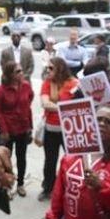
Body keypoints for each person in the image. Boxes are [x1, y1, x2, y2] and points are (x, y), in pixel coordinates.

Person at [39, 57, 79, 201]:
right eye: (47, 68)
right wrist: (65, 109)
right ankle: (47, 188)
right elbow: (45, 103)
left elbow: (79, 104)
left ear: (60, 68)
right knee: (50, 160)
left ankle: (69, 188)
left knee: (71, 161)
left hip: (68, 131)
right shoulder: (47, 83)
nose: (48, 71)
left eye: (51, 68)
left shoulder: (73, 83)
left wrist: (56, 107)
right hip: (51, 129)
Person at [0, 60, 33, 197]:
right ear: (10, 74)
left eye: (21, 70)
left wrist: (30, 127)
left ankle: (21, 183)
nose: (22, 73)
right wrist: (3, 130)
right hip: (8, 130)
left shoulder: (27, 86)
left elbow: (29, 105)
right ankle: (8, 185)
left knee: (21, 157)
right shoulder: (0, 90)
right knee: (6, 160)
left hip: (23, 128)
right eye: (18, 71)